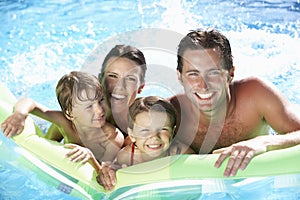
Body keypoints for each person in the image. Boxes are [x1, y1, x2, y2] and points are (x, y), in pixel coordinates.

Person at [169, 28, 300, 177]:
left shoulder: (256, 95)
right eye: (193, 74)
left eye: (213, 73)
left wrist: (265, 142)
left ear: (230, 74)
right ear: (179, 77)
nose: (203, 85)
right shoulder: (173, 114)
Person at [1, 71, 124, 165]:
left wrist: (90, 156)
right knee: (57, 124)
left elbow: (105, 173)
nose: (99, 109)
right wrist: (19, 115)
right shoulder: (65, 121)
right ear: (70, 113)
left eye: (101, 100)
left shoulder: (112, 137)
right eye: (89, 106)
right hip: (61, 128)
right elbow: (28, 102)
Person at [46, 45, 147, 145]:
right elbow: (45, 146)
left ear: (141, 87)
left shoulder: (142, 127)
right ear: (99, 79)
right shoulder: (76, 115)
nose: (119, 86)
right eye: (112, 76)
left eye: (130, 79)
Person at [97, 96, 194, 190]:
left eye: (163, 129)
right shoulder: (127, 157)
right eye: (144, 130)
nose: (154, 137)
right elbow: (111, 173)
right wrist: (109, 172)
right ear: (132, 135)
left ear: (173, 132)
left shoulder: (182, 153)